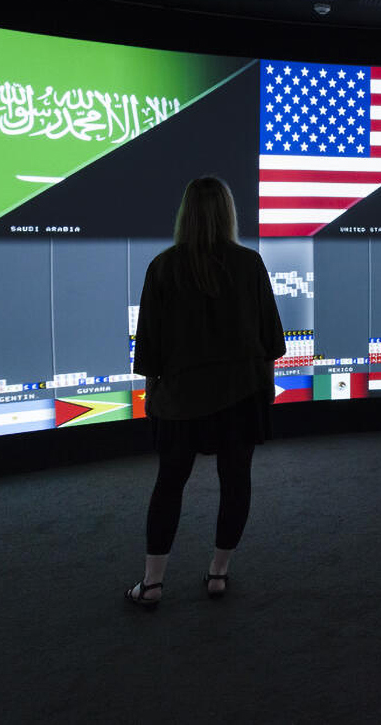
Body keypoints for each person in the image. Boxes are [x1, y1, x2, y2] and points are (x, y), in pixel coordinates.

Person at [125, 176, 286, 609]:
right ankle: (218, 574)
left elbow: (150, 351)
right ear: (229, 215)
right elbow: (272, 339)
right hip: (242, 396)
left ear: (185, 215)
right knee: (236, 483)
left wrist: (152, 400)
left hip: (180, 402)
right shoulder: (249, 264)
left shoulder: (163, 266)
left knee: (169, 485)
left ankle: (152, 584)